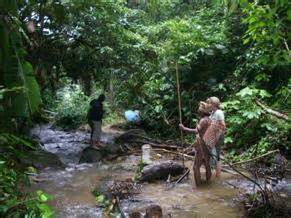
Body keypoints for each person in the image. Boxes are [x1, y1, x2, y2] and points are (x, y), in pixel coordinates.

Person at [179, 101, 212, 187]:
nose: (198, 112)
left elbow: (197, 131)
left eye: (199, 111)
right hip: (208, 144)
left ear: (201, 112)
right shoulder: (209, 119)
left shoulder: (203, 120)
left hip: (202, 145)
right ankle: (208, 184)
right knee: (207, 164)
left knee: (196, 167)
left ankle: (199, 187)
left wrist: (184, 128)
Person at [203, 96, 226, 177]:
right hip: (213, 136)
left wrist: (213, 126)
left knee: (215, 155)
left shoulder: (219, 112)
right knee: (215, 155)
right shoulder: (213, 112)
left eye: (209, 103)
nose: (207, 104)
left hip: (218, 136)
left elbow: (223, 125)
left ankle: (217, 175)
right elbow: (204, 111)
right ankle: (217, 174)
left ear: (213, 104)